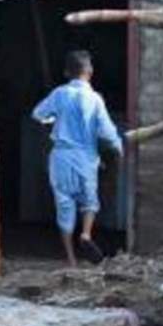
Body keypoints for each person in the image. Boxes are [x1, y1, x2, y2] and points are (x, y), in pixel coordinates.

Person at [33, 49, 124, 266]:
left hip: (61, 156)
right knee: (90, 202)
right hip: (85, 157)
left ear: (67, 72)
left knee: (64, 205)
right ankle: (85, 234)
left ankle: (71, 259)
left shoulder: (59, 94)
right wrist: (118, 147)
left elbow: (37, 114)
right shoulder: (95, 99)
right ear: (89, 71)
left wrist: (53, 121)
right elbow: (107, 132)